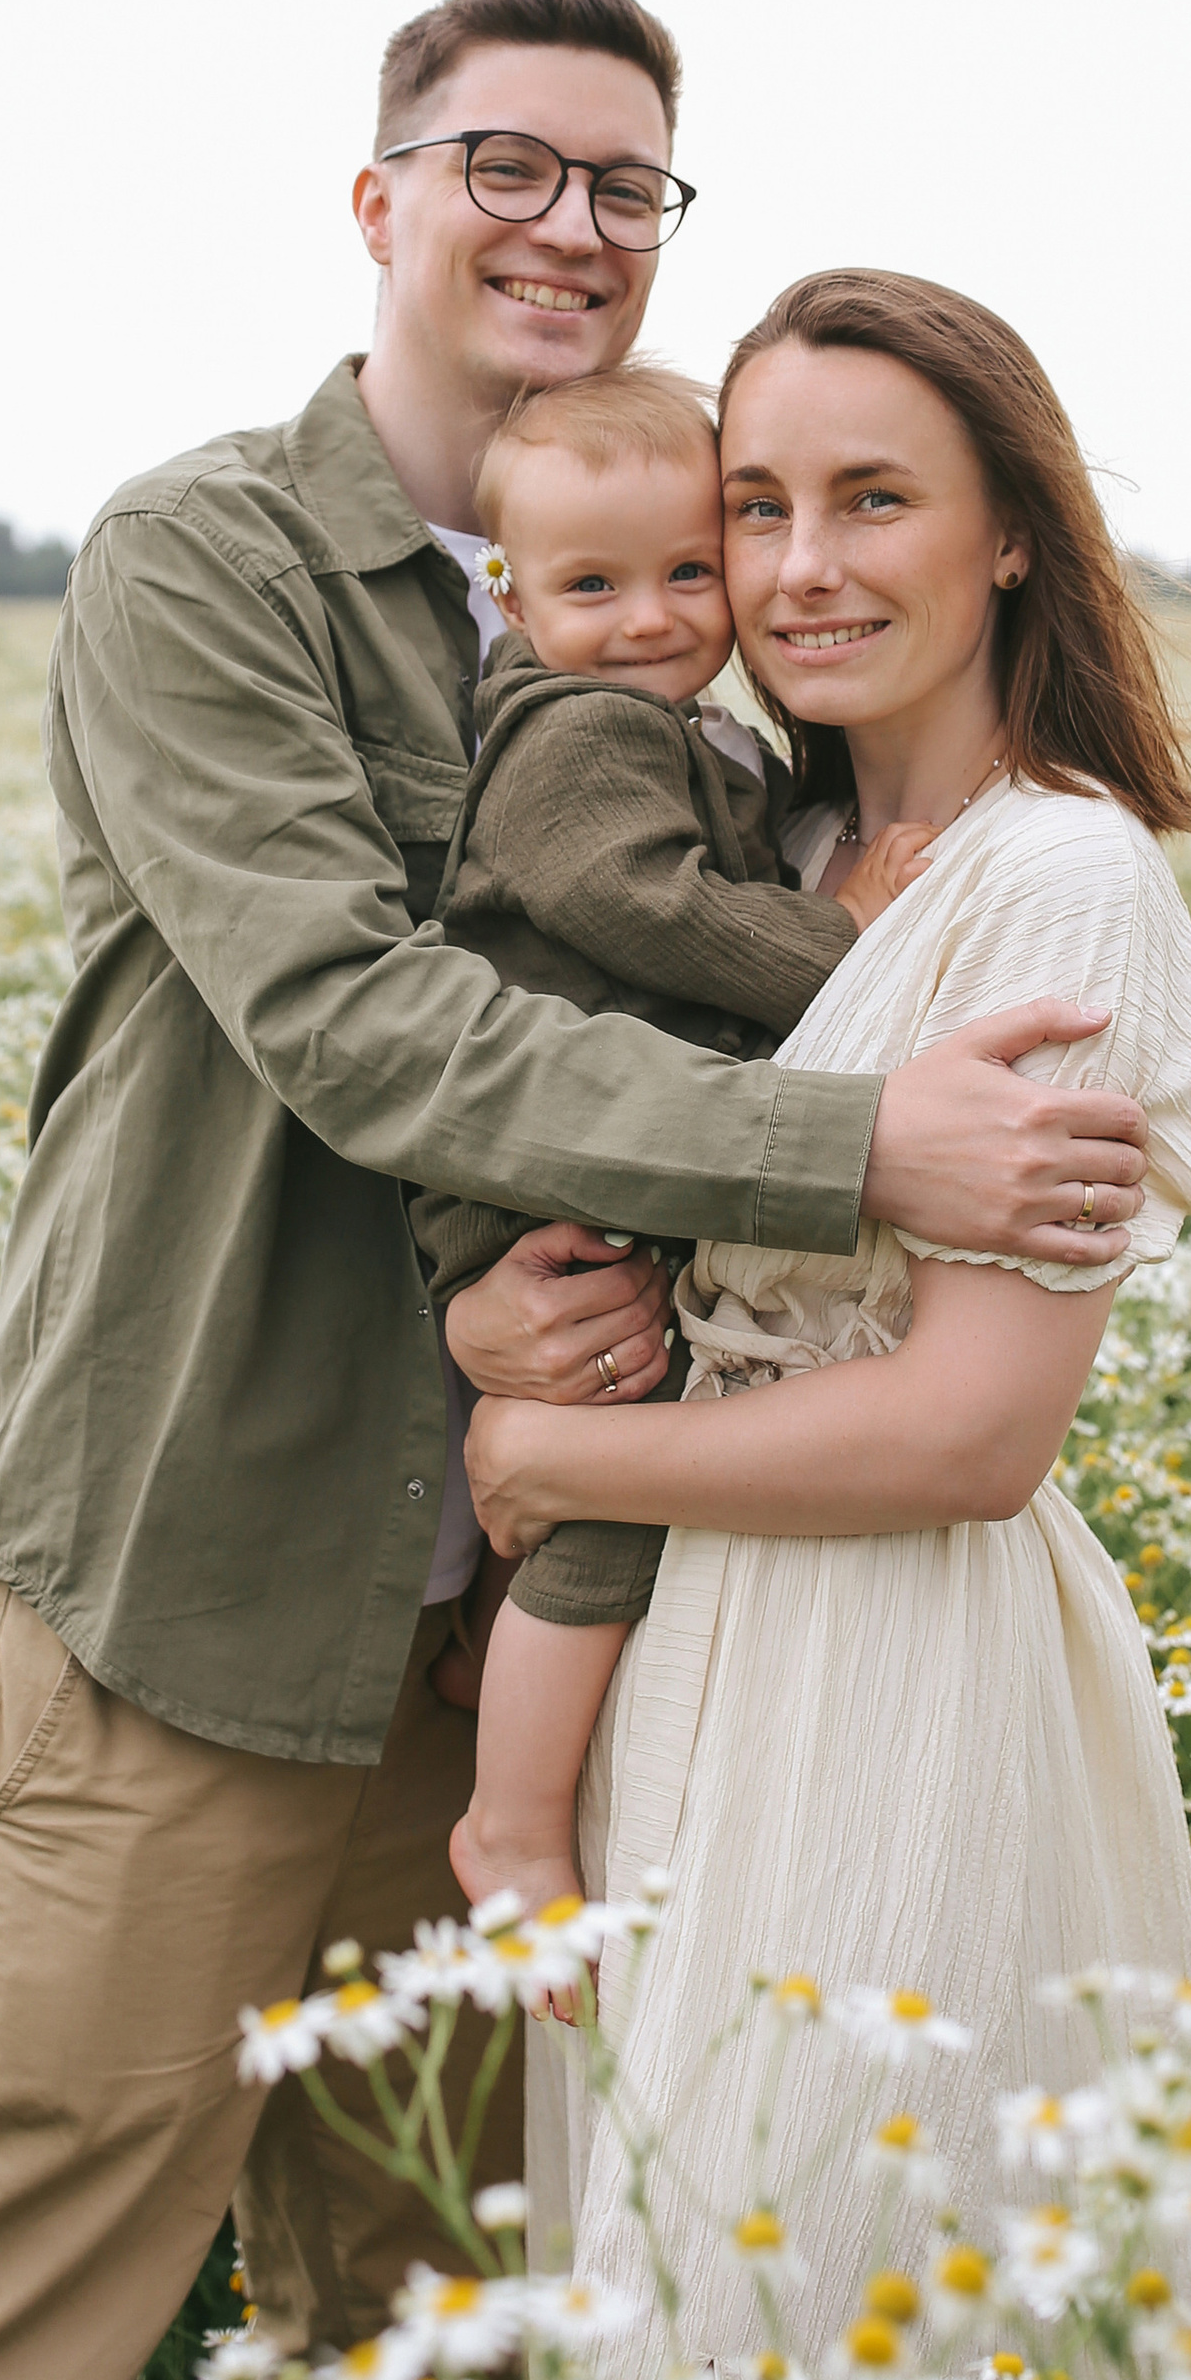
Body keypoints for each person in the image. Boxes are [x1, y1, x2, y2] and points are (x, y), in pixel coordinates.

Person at [0, 0, 1159, 2380]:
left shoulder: (707, 635)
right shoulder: (213, 563)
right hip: (183, 1601)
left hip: (514, 1663)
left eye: (631, 185)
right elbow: (362, 1025)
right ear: (379, 200)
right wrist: (859, 1137)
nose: (572, 226)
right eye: (511, 162)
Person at [462, 266, 1191, 2380]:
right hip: (673, 1701)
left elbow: (968, 1433)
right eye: (759, 506)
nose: (798, 568)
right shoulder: (765, 865)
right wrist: (512, 1341)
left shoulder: (1058, 877)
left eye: (872, 500)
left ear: (1009, 530)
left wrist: (553, 1467)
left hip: (895, 1700)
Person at [411, 360, 936, 1927]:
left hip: (603, 1144)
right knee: (619, 1497)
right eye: (593, 584)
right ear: (509, 593)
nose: (649, 617)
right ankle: (508, 1823)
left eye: (687, 572)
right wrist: (840, 944)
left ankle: (473, 1660)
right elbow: (637, 905)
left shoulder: (670, 721)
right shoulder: (582, 734)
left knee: (608, 1443)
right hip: (541, 1181)